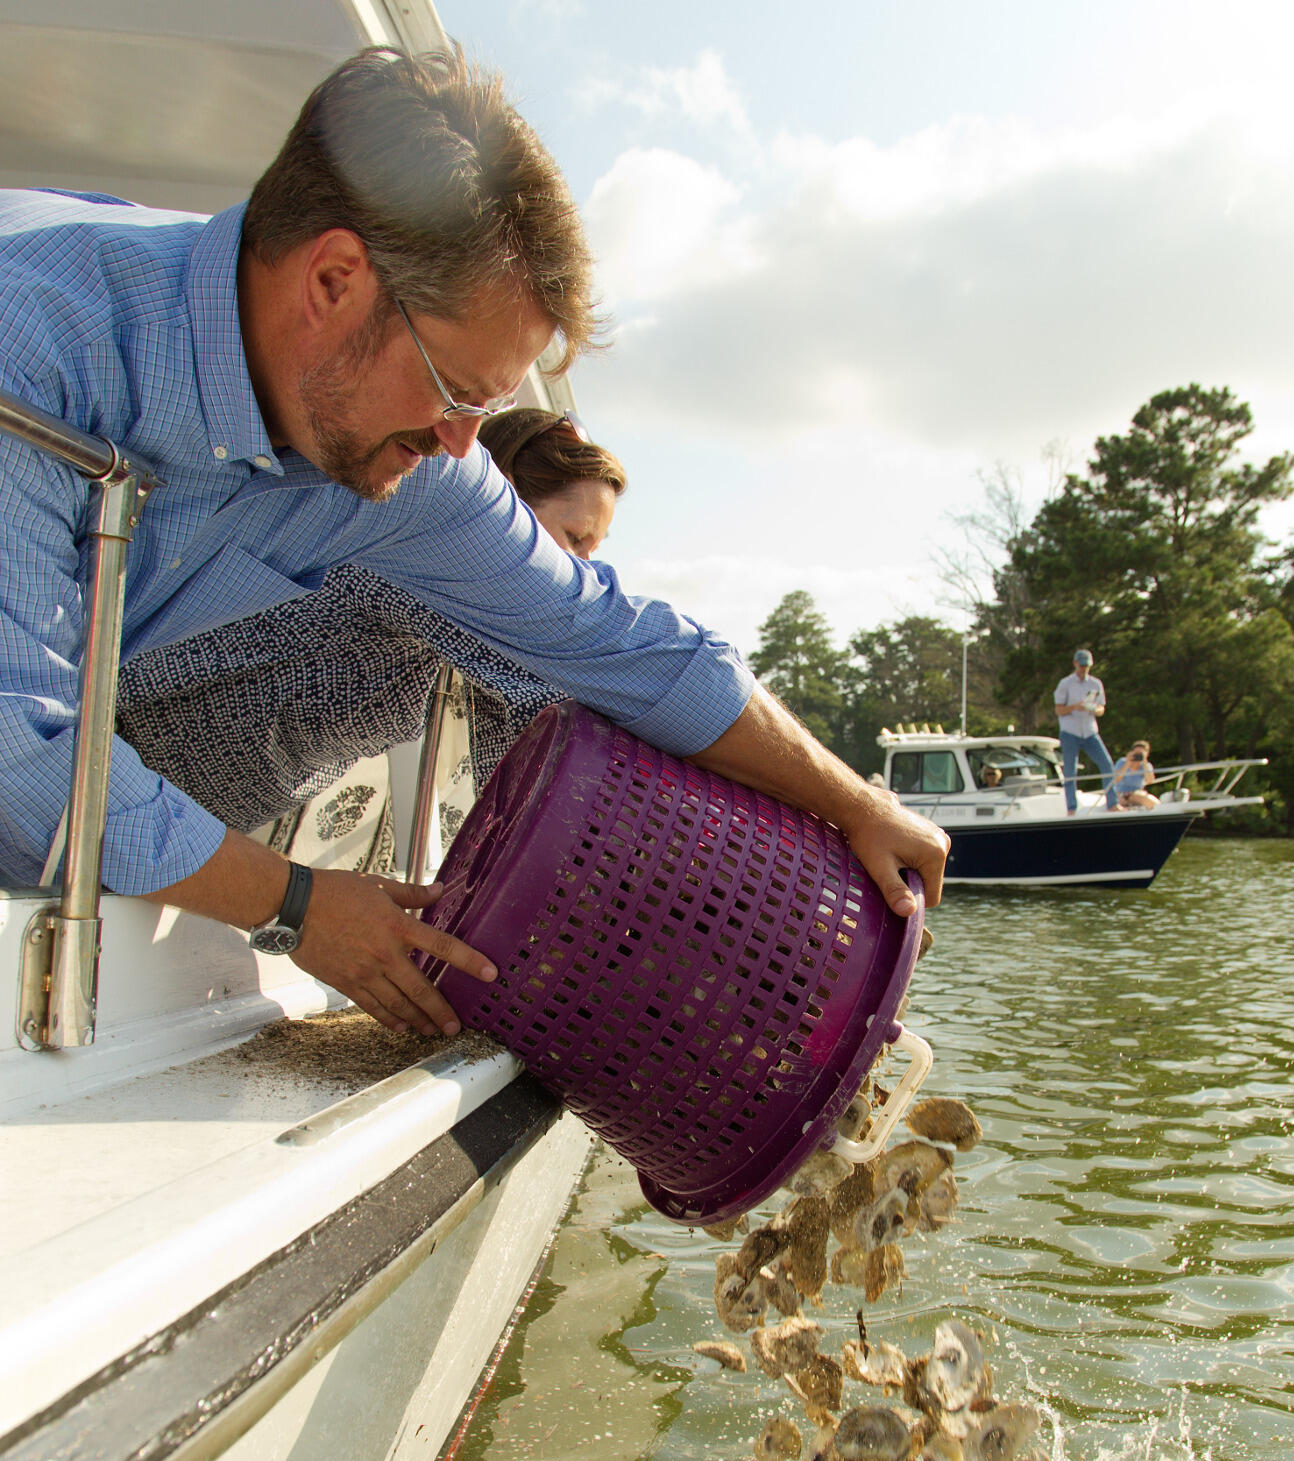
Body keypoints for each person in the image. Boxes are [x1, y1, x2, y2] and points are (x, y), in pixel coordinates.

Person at [0, 45, 947, 1037]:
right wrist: (295, 905)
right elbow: (22, 753)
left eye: (488, 407)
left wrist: (852, 805)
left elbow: (614, 641)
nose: (464, 445)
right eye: (456, 392)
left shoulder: (419, 467)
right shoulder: (36, 337)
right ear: (333, 279)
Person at [115, 408, 629, 831]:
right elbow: (542, 713)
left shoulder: (457, 611)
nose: (577, 571)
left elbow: (517, 750)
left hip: (172, 808)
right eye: (573, 538)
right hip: (126, 781)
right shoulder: (435, 554)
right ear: (506, 507)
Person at [1054, 649, 1118, 815]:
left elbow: (1102, 708)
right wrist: (1076, 706)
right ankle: (1071, 808)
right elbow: (1059, 710)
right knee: (1070, 771)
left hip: (1090, 731)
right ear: (1075, 664)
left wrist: (1095, 709)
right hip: (1070, 732)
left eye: (1086, 666)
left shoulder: (1095, 684)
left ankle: (1112, 803)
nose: (1084, 669)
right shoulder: (1065, 684)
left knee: (1107, 764)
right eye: (1081, 665)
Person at [1110, 740, 1158, 809]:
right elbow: (1116, 780)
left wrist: (1144, 761)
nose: (1138, 756)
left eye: (1140, 754)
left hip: (1138, 793)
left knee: (1151, 801)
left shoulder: (1147, 766)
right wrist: (1128, 763)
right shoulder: (1122, 762)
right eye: (1136, 753)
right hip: (1121, 794)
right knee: (1146, 799)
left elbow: (1150, 780)